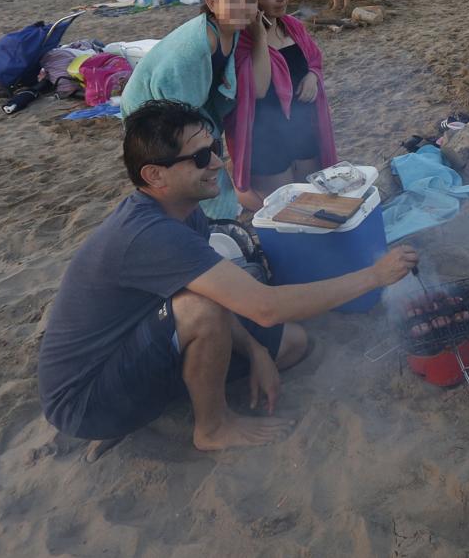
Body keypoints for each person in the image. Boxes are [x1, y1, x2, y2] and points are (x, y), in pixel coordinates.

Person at [37, 98, 419, 453]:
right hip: (87, 400)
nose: (218, 164)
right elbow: (264, 307)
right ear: (155, 175)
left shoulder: (185, 211)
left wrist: (256, 352)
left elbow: (233, 305)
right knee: (199, 309)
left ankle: (191, 386)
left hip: (143, 342)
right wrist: (374, 276)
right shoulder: (149, 234)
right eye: (201, 157)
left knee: (291, 345)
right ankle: (212, 428)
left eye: (215, 148)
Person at [121, 0, 261, 221]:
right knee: (183, 169)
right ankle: (206, 221)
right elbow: (173, 103)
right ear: (210, 2)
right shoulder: (196, 45)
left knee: (203, 160)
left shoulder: (232, 30)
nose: (243, 6)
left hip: (181, 104)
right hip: (149, 106)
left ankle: (212, 218)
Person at [226, 0, 337, 210]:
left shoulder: (293, 27)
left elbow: (315, 61)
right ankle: (235, 183)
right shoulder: (240, 39)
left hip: (301, 127)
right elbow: (257, 88)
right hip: (265, 137)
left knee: (315, 201)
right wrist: (259, 37)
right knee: (286, 209)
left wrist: (312, 76)